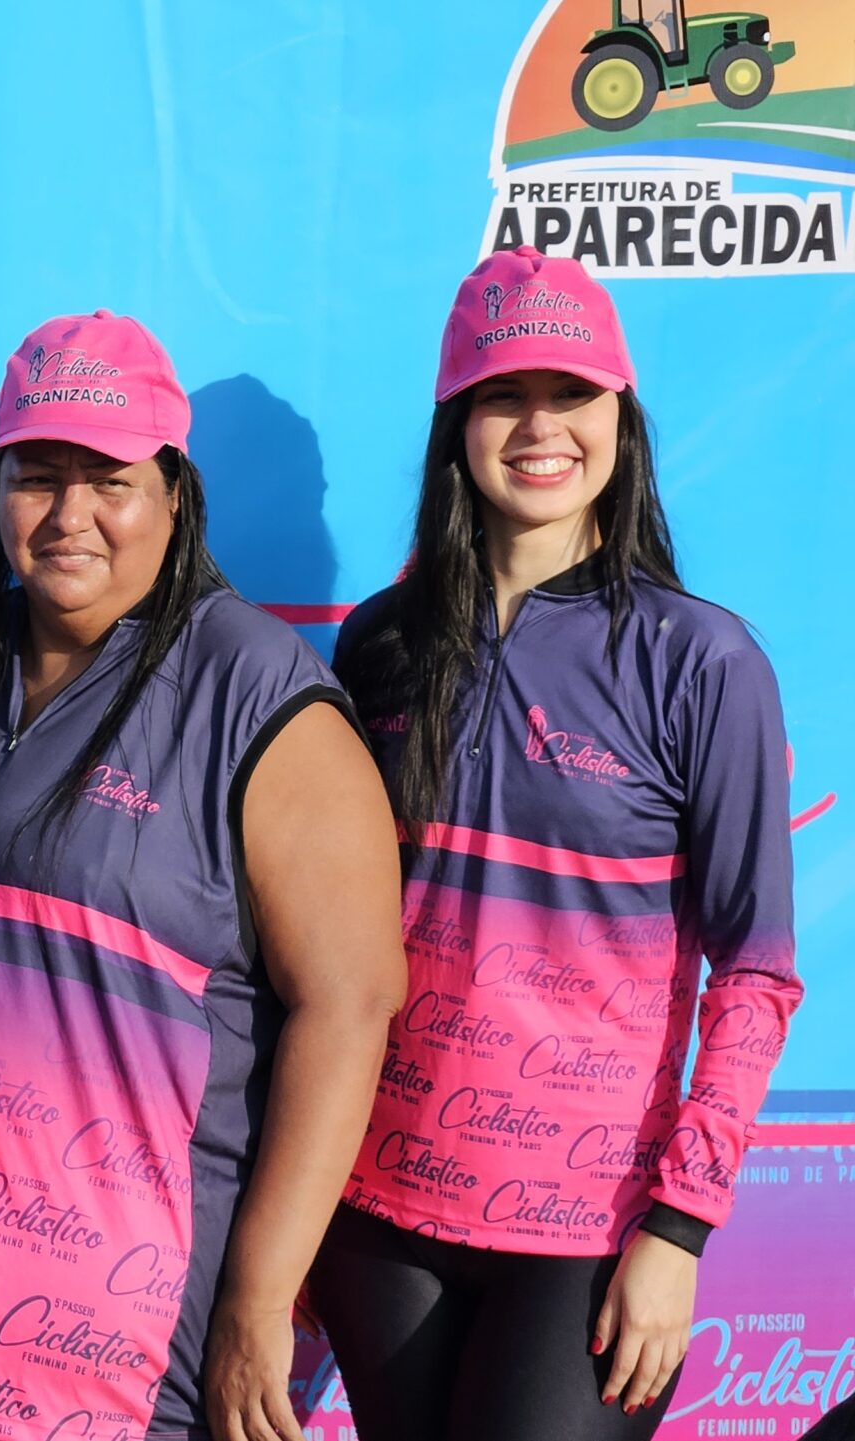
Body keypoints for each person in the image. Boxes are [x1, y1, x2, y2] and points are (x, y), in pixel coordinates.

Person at [0, 310, 408, 1441]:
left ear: (174, 496)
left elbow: (351, 1002)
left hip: (105, 1348)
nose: (69, 515)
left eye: (110, 480)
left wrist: (260, 1298)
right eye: (37, 477)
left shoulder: (254, 690)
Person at [308, 247, 802, 1438]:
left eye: (571, 394)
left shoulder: (702, 660)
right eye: (503, 395)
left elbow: (755, 971)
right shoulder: (378, 644)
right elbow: (321, 940)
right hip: (374, 1209)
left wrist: (677, 1228)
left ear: (619, 418)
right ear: (456, 423)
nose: (539, 427)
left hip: (587, 1231)